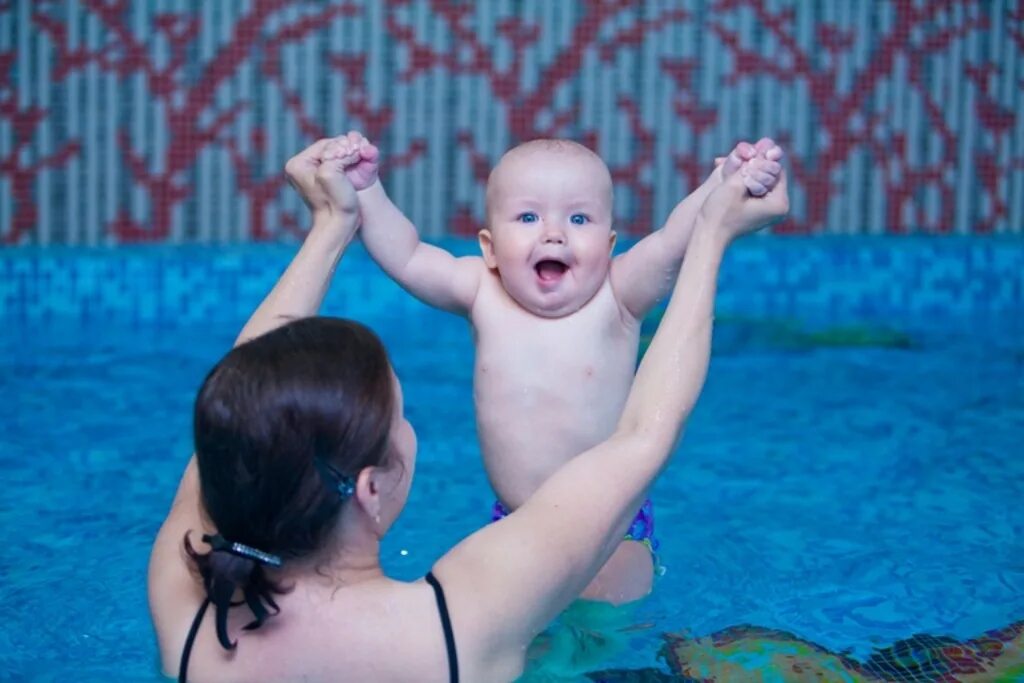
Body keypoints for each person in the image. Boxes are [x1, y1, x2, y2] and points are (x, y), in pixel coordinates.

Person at [147, 133, 788, 682]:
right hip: (547, 533)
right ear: (371, 489)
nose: (555, 233)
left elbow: (244, 400)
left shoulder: (189, 619)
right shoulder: (457, 623)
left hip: (603, 542)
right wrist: (717, 231)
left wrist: (329, 226)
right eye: (401, 419)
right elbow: (646, 433)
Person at [350, 131, 785, 602]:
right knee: (499, 620)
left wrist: (720, 183)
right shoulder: (480, 290)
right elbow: (407, 255)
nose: (554, 233)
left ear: (610, 243)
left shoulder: (618, 295)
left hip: (611, 529)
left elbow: (674, 241)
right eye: (528, 216)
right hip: (515, 522)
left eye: (579, 218)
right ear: (490, 248)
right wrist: (366, 188)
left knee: (594, 612)